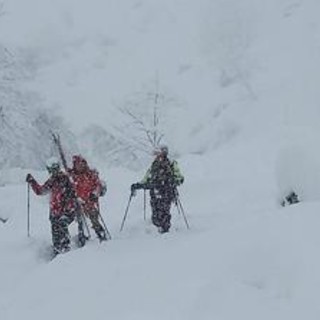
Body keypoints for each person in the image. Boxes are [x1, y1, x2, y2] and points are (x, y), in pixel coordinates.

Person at [26, 158, 77, 255]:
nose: (54, 172)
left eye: (55, 170)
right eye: (51, 170)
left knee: (62, 225)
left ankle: (65, 248)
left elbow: (73, 192)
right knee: (55, 230)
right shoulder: (52, 181)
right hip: (55, 211)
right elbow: (40, 191)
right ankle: (57, 249)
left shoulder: (66, 179)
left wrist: (68, 205)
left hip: (67, 211)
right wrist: (32, 182)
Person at [131, 145, 184, 233]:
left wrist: (172, 182)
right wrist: (138, 185)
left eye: (158, 152)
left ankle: (165, 231)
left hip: (166, 192)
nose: (156, 155)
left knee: (164, 211)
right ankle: (157, 232)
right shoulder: (154, 164)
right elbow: (147, 178)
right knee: (155, 212)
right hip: (155, 192)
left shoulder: (171, 163)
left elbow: (179, 178)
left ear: (164, 152)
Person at [68, 155, 107, 241]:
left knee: (94, 221)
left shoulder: (91, 174)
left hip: (91, 202)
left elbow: (98, 186)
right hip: (78, 203)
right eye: (77, 164)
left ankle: (101, 236)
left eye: (81, 163)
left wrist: (94, 194)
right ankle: (83, 238)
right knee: (81, 221)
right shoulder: (72, 175)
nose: (79, 166)